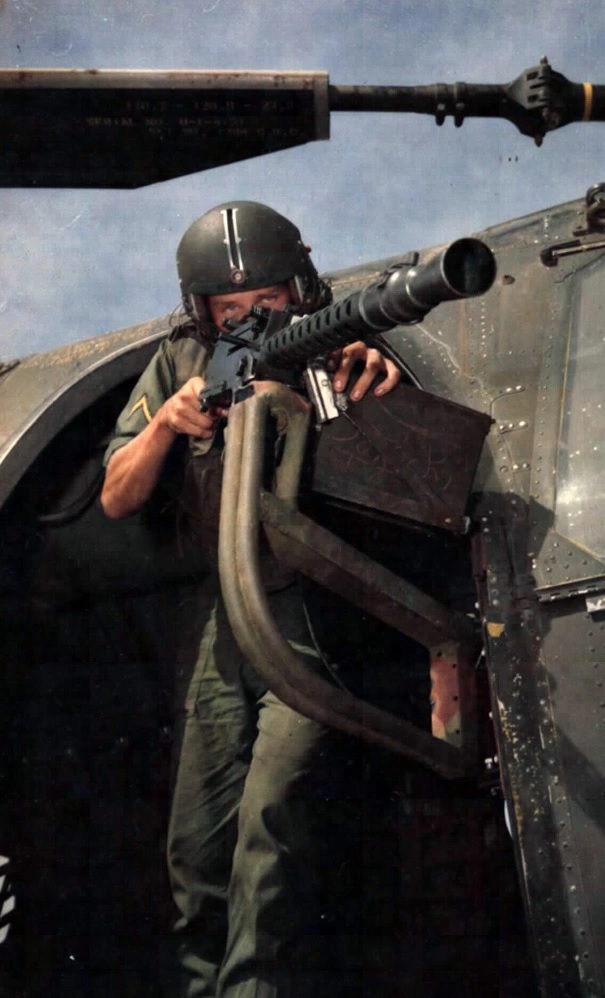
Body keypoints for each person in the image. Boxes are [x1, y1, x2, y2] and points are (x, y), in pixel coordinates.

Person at [101, 201, 400, 998]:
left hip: (309, 608)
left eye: (265, 301)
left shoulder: (343, 342)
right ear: (201, 312)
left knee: (272, 838)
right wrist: (168, 422)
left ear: (298, 290)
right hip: (224, 613)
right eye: (227, 310)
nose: (247, 320)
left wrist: (374, 375)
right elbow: (117, 495)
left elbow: (412, 463)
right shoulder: (182, 361)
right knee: (196, 853)